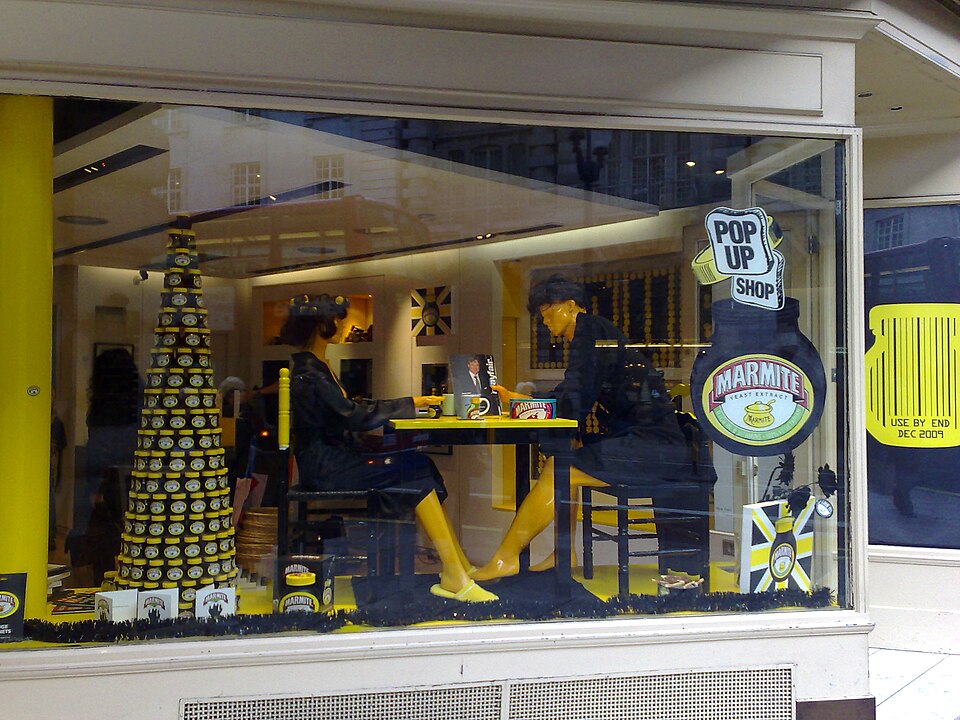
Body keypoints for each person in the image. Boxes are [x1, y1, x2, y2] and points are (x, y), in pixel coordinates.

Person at [473, 275, 702, 582]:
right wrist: (524, 400)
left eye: (548, 312)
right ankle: (563, 552)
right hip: (650, 442)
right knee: (563, 460)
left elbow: (575, 398)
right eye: (542, 316)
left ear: (571, 306)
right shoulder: (594, 332)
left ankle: (506, 557)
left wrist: (527, 403)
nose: (545, 322)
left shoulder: (589, 331)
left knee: (561, 469)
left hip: (654, 448)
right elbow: (573, 393)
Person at [280, 293, 497, 602]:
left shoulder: (316, 366)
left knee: (420, 465)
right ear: (321, 324)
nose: (342, 326)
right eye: (337, 320)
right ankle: (455, 571)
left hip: (335, 459)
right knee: (415, 470)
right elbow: (353, 415)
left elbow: (352, 410)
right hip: (328, 467)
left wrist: (411, 404)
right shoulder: (309, 373)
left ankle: (457, 565)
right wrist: (412, 403)